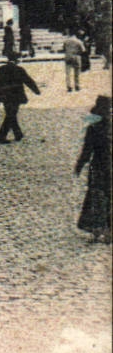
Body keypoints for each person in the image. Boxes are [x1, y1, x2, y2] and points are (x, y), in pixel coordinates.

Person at [73, 96, 111, 243]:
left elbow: (87, 151)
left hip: (99, 167)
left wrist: (79, 165)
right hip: (106, 166)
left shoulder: (93, 129)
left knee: (96, 197)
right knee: (107, 197)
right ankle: (108, 230)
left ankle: (96, 229)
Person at [0, 54, 41, 144]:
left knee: (10, 114)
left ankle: (18, 134)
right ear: (17, 60)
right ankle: (1, 136)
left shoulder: (1, 69)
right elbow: (28, 81)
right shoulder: (19, 69)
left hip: (5, 96)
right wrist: (36, 90)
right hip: (16, 96)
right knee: (11, 115)